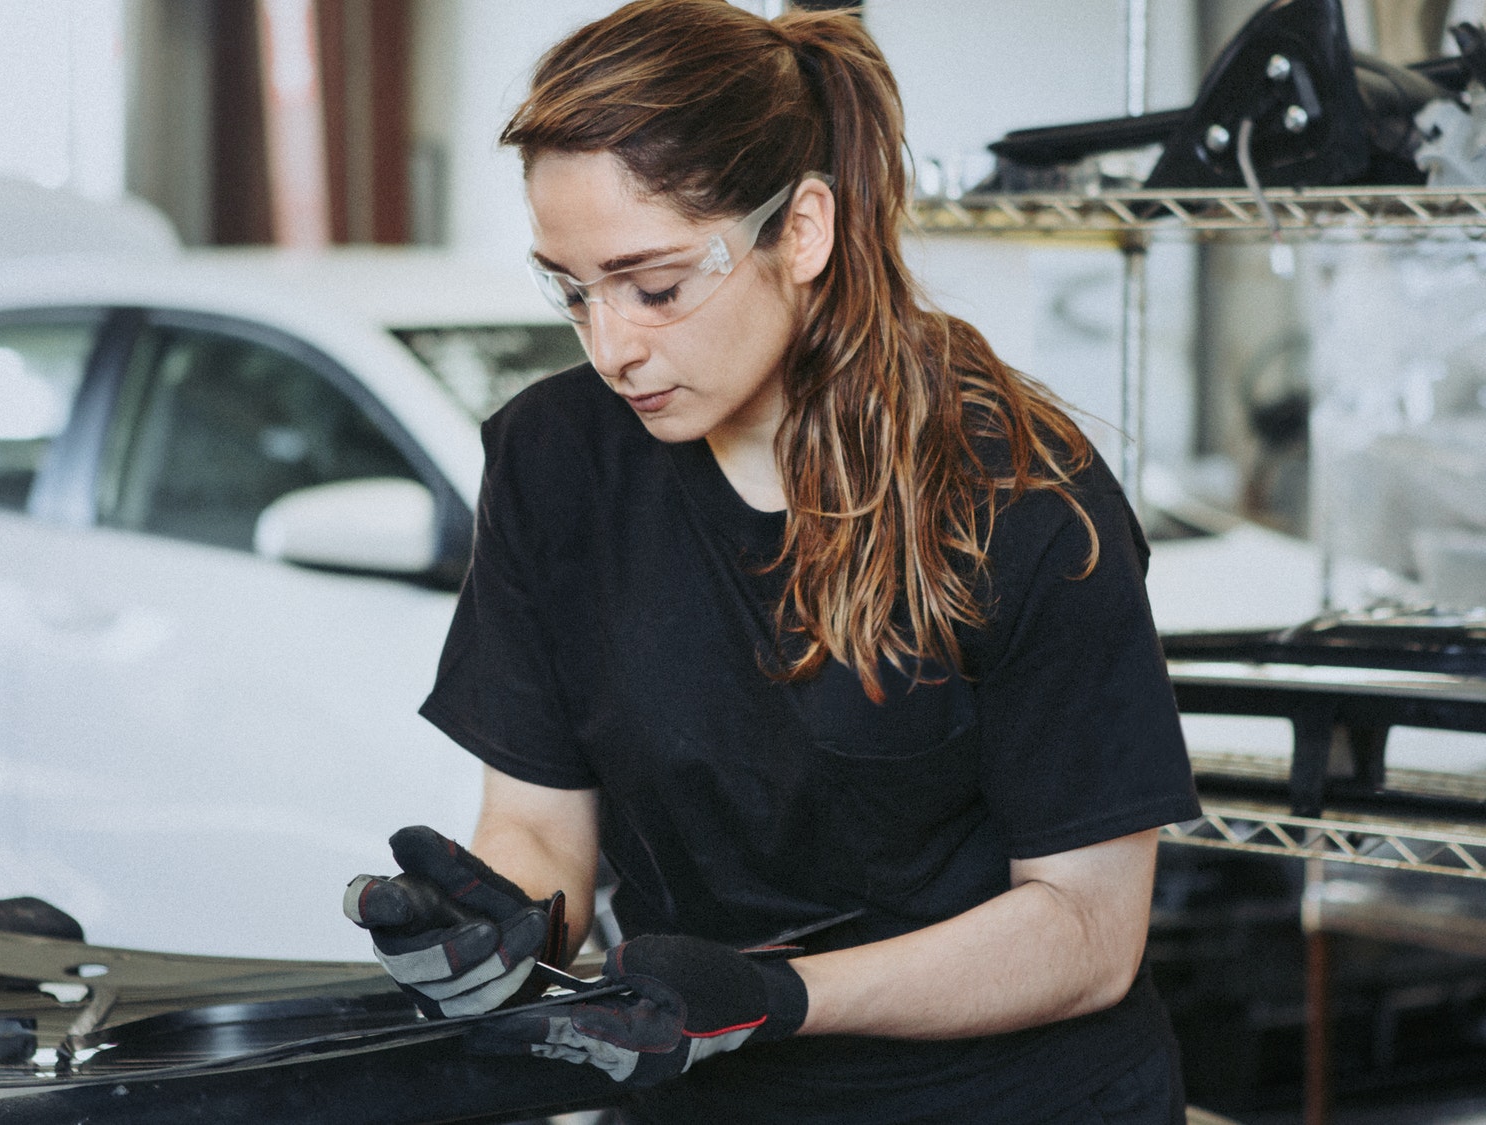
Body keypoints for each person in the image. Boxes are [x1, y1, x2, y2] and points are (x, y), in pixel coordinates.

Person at [343, 2, 1202, 1121]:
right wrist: (496, 922)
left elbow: (1087, 933)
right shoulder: (554, 460)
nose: (611, 346)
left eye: (652, 286)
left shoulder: (1020, 493)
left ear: (800, 230)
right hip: (697, 1096)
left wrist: (773, 996)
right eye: (570, 287)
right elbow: (542, 824)